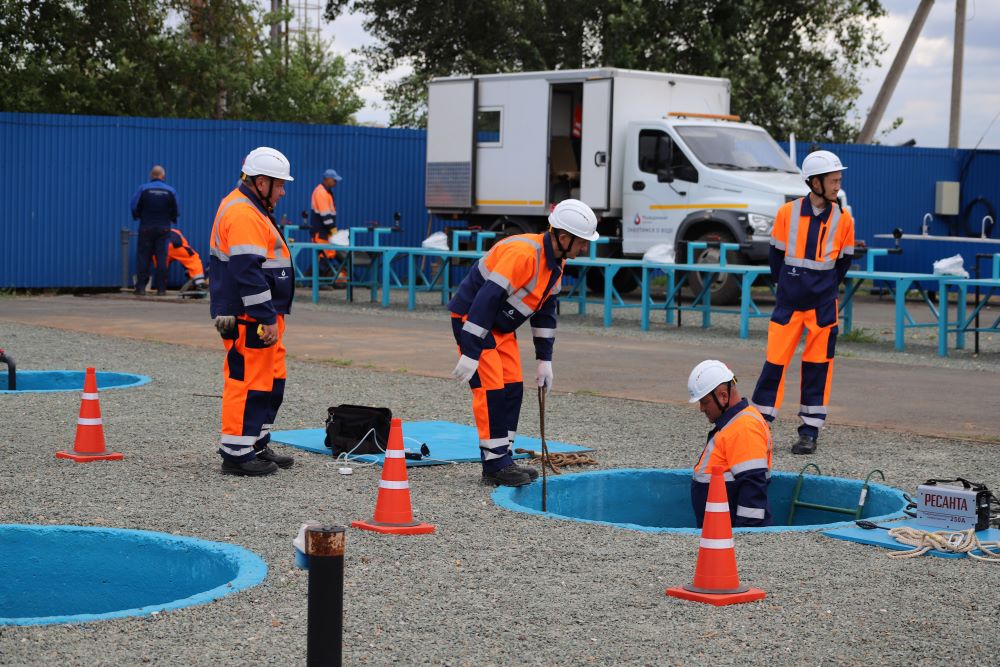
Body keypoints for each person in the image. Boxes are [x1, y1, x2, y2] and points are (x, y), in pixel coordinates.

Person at [449, 199, 599, 487]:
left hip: (499, 327)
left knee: (512, 388)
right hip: (474, 320)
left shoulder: (556, 263)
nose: (584, 248)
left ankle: (503, 458)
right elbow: (486, 299)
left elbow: (545, 311)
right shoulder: (523, 254)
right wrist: (471, 350)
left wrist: (545, 359)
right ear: (564, 238)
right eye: (582, 242)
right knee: (491, 390)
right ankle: (495, 465)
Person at [750, 150, 856, 455]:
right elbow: (775, 258)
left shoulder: (844, 220)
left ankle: (809, 431)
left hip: (823, 307)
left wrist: (822, 288)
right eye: (833, 180)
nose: (838, 185)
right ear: (815, 182)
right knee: (774, 364)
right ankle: (759, 427)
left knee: (818, 369)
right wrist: (789, 286)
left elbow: (843, 263)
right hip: (788, 305)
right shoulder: (787, 213)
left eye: (839, 180)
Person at [209, 147, 297, 476]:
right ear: (261, 182)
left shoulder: (250, 207)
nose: (283, 192)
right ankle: (236, 452)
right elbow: (247, 271)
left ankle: (255, 442)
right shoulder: (244, 213)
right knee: (247, 380)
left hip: (260, 313)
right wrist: (265, 317)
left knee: (270, 378)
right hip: (250, 316)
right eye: (280, 184)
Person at [688, 360, 772, 528]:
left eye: (705, 402)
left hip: (730, 532)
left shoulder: (744, 427)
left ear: (723, 396)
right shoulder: (735, 423)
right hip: (722, 532)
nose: (702, 408)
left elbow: (753, 485)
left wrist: (746, 533)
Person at [130, 165, 179, 296]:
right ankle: (161, 290)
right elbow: (176, 210)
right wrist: (171, 219)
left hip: (146, 227)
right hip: (163, 229)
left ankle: (141, 288)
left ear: (151, 175)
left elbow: (134, 206)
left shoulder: (143, 189)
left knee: (143, 258)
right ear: (163, 176)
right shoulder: (171, 191)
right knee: (162, 258)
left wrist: (138, 216)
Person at [310, 168, 347, 287]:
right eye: (334, 180)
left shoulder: (327, 192)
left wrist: (333, 232)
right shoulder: (321, 192)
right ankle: (318, 283)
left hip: (326, 232)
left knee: (327, 255)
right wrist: (334, 230)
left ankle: (319, 282)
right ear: (327, 179)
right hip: (321, 232)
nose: (336, 182)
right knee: (323, 256)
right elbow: (325, 215)